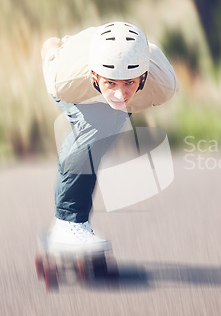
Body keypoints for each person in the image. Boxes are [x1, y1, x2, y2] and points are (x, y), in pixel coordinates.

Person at [41, 21, 179, 254]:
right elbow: (49, 46)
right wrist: (54, 48)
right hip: (79, 85)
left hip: (120, 70)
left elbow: (122, 92)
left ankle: (75, 222)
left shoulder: (162, 83)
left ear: (143, 77)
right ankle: (66, 224)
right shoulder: (64, 78)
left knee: (106, 128)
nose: (119, 93)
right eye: (111, 83)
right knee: (94, 129)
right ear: (95, 76)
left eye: (129, 84)